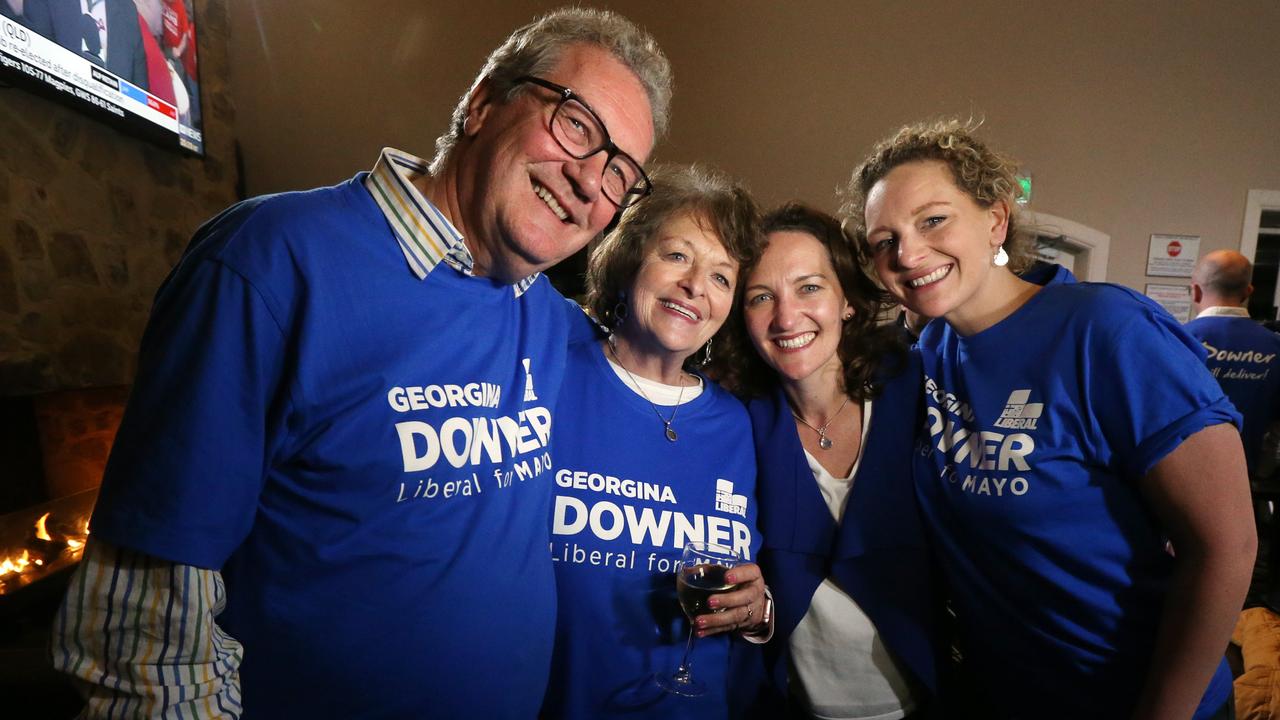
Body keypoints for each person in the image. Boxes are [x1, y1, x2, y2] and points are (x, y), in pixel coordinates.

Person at [50, 8, 671, 718]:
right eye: (577, 127)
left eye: (621, 171)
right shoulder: (271, 260)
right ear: (482, 104)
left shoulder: (546, 316)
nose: (593, 182)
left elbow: (665, 376)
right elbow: (149, 630)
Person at [843, 119, 1257, 720]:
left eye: (933, 220)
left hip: (1138, 694)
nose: (907, 253)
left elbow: (1227, 546)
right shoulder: (927, 356)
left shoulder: (1106, 332)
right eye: (886, 240)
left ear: (996, 220)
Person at [542, 164, 770, 720]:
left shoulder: (734, 423)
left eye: (722, 276)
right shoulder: (552, 375)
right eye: (677, 256)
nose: (696, 285)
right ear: (630, 260)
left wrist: (758, 609)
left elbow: (742, 575)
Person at [720, 203, 939, 719]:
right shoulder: (734, 421)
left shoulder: (919, 386)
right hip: (788, 705)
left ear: (847, 300)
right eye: (760, 297)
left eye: (809, 287)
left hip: (930, 697)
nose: (786, 317)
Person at [1186, 249, 1280, 476]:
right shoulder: (1275, 346)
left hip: (1180, 476)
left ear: (1195, 291)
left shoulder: (1174, 341)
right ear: (1248, 292)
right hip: (1247, 478)